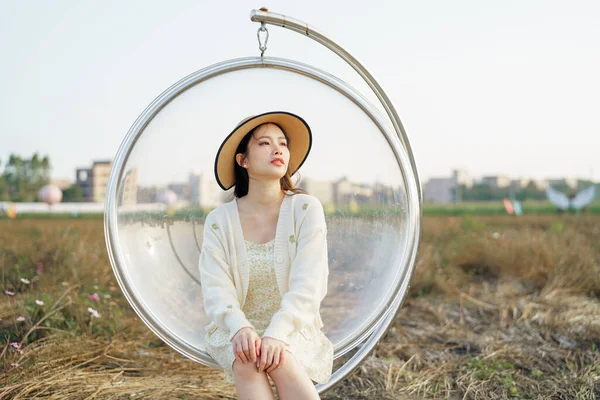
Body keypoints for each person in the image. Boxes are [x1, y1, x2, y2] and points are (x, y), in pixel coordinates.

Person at [199, 111, 334, 399]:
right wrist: (239, 328)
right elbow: (215, 288)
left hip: (293, 323)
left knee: (280, 357)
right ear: (242, 160)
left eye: (283, 143)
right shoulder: (219, 220)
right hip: (233, 327)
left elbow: (309, 284)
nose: (277, 149)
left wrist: (277, 332)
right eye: (264, 143)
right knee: (247, 359)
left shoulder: (306, 209)